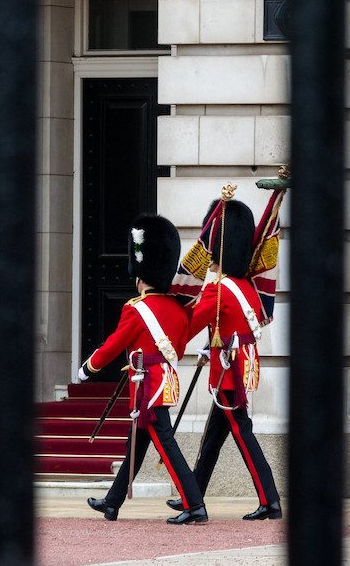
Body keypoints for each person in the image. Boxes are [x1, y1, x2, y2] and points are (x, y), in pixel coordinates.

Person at [79, 214, 208, 525]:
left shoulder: (136, 309)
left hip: (146, 387)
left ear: (140, 276)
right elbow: (178, 347)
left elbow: (113, 345)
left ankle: (195, 504)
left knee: (166, 442)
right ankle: (112, 502)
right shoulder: (178, 311)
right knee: (135, 446)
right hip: (162, 382)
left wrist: (89, 367)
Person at [167, 198, 282, 521]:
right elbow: (231, 326)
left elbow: (189, 326)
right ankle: (194, 494)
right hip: (235, 365)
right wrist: (211, 347)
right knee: (214, 436)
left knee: (243, 435)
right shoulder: (244, 285)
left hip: (228, 373)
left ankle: (269, 499)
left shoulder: (218, 289)